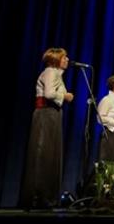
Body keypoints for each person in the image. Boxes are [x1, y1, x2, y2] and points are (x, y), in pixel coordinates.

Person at [19, 48, 75, 208]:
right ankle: (38, 197)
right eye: (64, 57)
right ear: (56, 59)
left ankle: (46, 196)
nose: (67, 60)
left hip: (52, 114)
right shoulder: (51, 72)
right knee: (42, 153)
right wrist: (65, 96)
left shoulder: (57, 74)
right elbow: (49, 94)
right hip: (46, 114)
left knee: (50, 154)